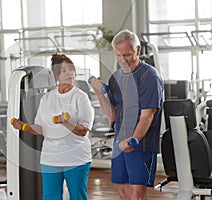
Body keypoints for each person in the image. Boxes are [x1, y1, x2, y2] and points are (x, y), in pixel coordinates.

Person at [89, 30, 164, 200]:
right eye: (118, 55)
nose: (123, 60)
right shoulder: (116, 78)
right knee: (123, 192)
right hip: (119, 142)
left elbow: (147, 115)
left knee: (136, 194)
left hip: (141, 142)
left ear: (137, 51)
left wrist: (134, 140)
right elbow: (113, 116)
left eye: (127, 55)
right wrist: (99, 94)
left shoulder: (149, 76)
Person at [11, 53, 94, 200]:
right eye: (64, 71)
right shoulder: (47, 98)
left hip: (76, 157)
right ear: (56, 76)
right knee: (50, 196)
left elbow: (83, 131)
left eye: (71, 69)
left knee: (77, 196)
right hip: (50, 157)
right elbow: (40, 128)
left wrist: (66, 122)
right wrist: (24, 127)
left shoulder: (80, 97)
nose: (69, 73)